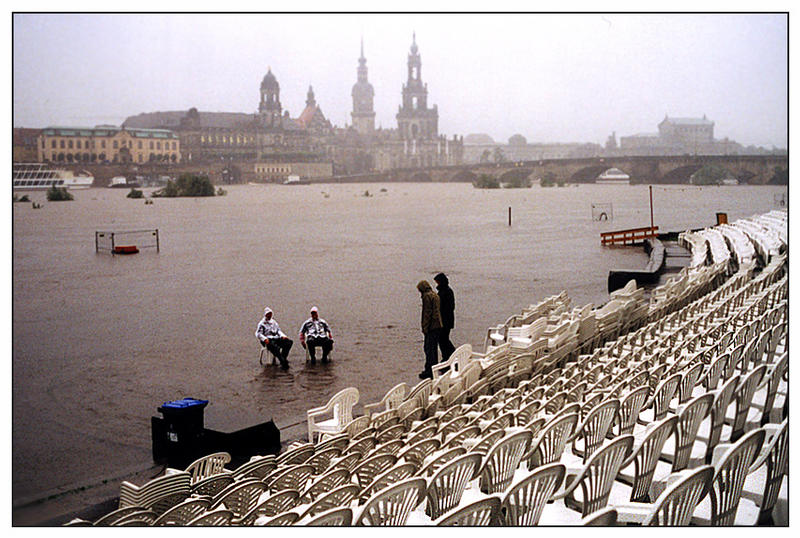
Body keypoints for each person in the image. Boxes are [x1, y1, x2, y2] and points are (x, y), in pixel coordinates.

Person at [417, 280, 442, 379]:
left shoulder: (427, 297)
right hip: (438, 325)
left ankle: (429, 370)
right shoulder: (435, 295)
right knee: (434, 349)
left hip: (431, 327)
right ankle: (434, 368)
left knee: (428, 349)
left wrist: (425, 327)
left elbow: (427, 313)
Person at [434, 272, 456, 362]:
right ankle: (449, 355)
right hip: (448, 320)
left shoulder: (444, 292)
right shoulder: (447, 291)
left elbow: (444, 307)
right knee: (444, 339)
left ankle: (449, 356)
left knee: (443, 339)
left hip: (444, 321)